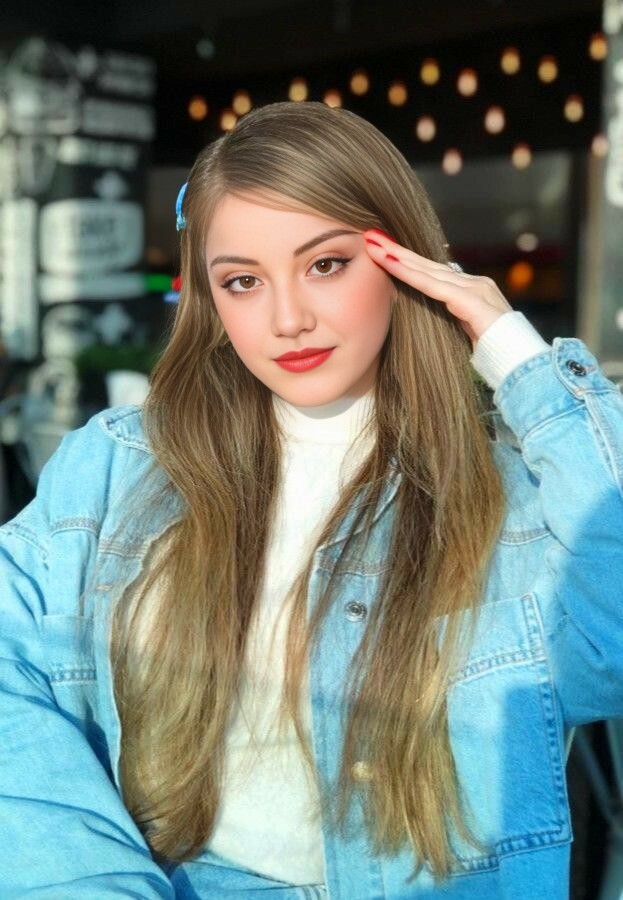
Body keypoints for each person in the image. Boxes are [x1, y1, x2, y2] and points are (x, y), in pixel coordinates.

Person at [1, 100, 622, 900]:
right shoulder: (122, 467)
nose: (288, 319)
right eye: (242, 282)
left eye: (325, 264)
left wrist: (517, 355)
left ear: (401, 260)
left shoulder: (510, 501)